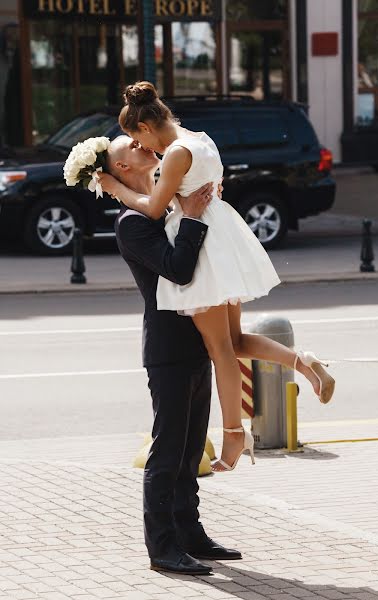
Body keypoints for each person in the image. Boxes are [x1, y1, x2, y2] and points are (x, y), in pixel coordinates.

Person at [100, 81, 336, 472]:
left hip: (202, 246)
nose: (142, 150)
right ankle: (303, 361)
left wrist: (113, 187)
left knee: (220, 350)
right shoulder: (200, 138)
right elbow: (190, 188)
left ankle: (233, 433)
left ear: (145, 127)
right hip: (222, 235)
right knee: (236, 339)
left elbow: (155, 209)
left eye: (136, 140)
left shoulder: (175, 152)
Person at [109, 135, 242, 574]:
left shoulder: (162, 201)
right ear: (122, 169)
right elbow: (179, 270)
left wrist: (207, 211)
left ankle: (191, 533)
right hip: (167, 347)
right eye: (129, 145)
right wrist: (192, 219)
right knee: (167, 450)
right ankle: (162, 547)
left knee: (189, 450)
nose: (141, 144)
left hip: (198, 342)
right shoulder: (132, 222)